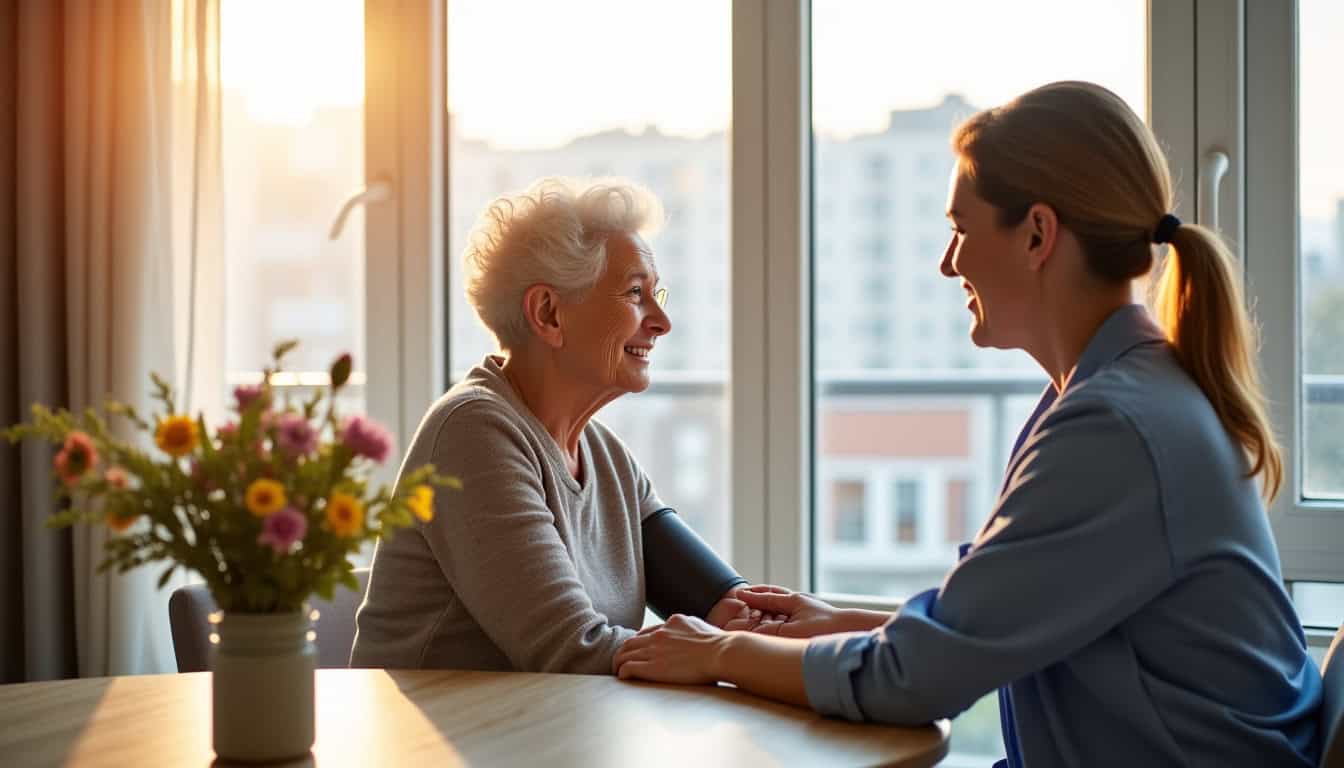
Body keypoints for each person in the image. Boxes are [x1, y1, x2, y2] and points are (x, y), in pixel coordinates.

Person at [612, 81, 1323, 766]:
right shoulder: (1117, 392)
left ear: (1037, 233)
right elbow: (996, 628)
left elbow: (914, 679)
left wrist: (720, 654)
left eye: (961, 230)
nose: (949, 263)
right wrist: (831, 621)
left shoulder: (1113, 427)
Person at [351, 178, 767, 674]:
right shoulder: (473, 433)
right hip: (443, 747)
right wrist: (727, 654)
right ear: (548, 313)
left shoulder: (604, 455)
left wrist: (826, 645)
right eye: (636, 293)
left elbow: (731, 607)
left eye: (657, 295)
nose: (661, 321)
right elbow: (574, 652)